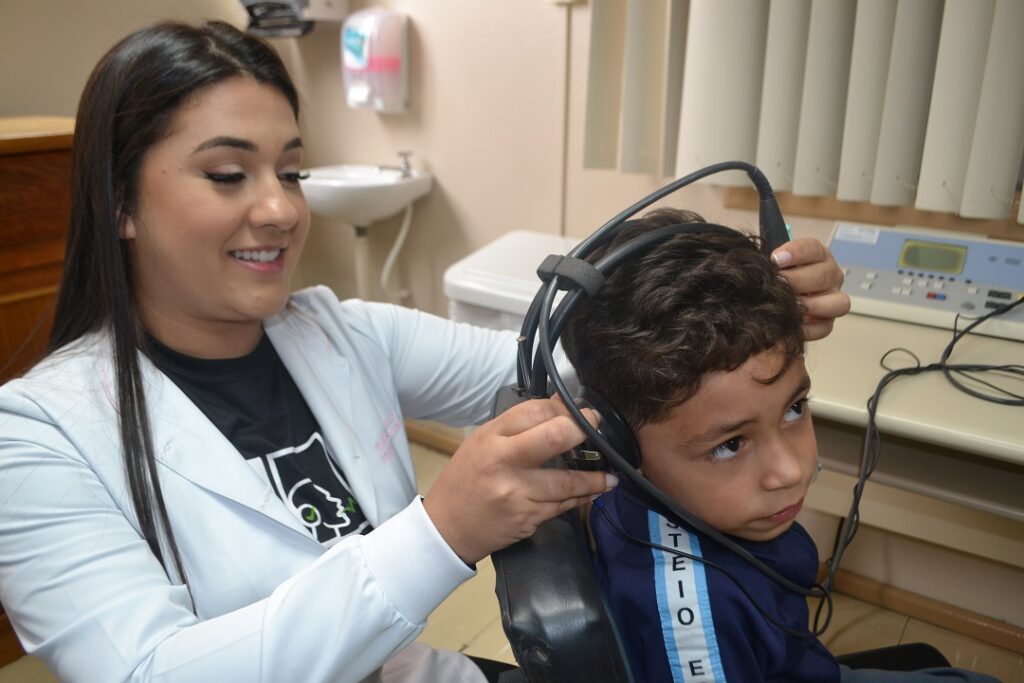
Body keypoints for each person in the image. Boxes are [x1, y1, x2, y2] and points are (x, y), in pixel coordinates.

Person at [0, 21, 849, 683]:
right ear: (121, 203)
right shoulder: (33, 439)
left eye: (291, 173)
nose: (281, 211)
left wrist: (744, 316)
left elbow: (575, 375)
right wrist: (442, 529)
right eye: (229, 175)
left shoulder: (342, 333)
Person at [561, 209, 1001, 683]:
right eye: (730, 444)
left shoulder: (668, 487)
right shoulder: (697, 624)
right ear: (618, 448)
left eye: (794, 408)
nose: (790, 470)